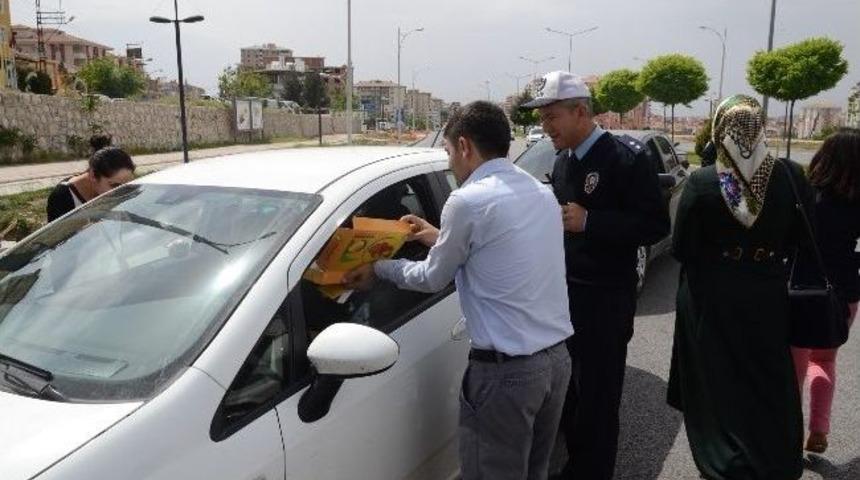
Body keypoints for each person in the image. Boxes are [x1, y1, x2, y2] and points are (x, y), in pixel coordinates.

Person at [343, 101, 573, 480]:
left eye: (449, 151)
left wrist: (378, 268)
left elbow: (432, 278)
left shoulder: (467, 200)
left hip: (507, 376)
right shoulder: (538, 191)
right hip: (554, 364)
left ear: (464, 146)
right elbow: (503, 250)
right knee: (534, 472)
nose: (449, 162)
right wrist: (438, 235)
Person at [523, 71, 670, 480]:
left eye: (551, 117)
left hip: (605, 299)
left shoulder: (625, 158)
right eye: (542, 118)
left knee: (598, 398)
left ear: (580, 112)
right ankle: (577, 465)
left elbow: (655, 226)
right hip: (564, 297)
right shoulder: (563, 160)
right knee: (569, 394)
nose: (545, 127)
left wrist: (592, 222)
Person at [667, 95, 806, 479]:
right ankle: (773, 458)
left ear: (719, 130)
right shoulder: (790, 176)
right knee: (765, 376)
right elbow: (801, 238)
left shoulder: (702, 181)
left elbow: (682, 248)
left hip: (713, 297)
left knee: (718, 378)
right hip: (767, 292)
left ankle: (724, 460)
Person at [790, 127, 860, 454]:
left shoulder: (805, 195)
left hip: (800, 289)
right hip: (843, 292)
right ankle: (818, 430)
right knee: (825, 361)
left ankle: (789, 435)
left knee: (794, 369)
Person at [46, 147, 136, 222]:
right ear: (93, 175)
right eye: (114, 185)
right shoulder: (62, 198)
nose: (122, 192)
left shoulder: (110, 192)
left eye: (127, 186)